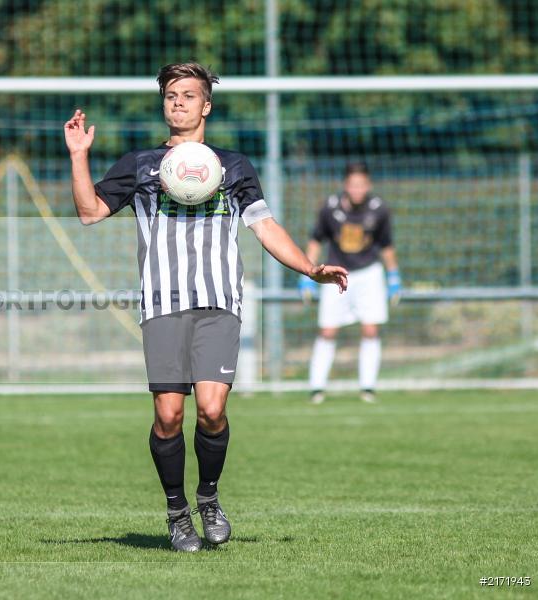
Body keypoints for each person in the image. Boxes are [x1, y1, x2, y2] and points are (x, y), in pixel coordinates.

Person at [63, 62, 347, 552]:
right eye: (171, 95)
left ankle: (208, 498)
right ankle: (177, 513)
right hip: (162, 306)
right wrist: (79, 157)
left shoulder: (233, 167)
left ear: (206, 105)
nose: (178, 102)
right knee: (169, 416)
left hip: (219, 303)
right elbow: (89, 212)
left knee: (212, 410)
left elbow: (266, 227)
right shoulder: (141, 164)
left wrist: (309, 268)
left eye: (189, 95)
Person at [298, 161, 400, 405]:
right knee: (328, 330)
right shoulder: (329, 208)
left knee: (370, 329)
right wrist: (307, 275)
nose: (357, 190)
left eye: (362, 185)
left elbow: (386, 246)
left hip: (369, 274)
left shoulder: (379, 209)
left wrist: (394, 276)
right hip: (337, 274)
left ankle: (367, 387)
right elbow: (315, 241)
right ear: (346, 185)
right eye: (353, 185)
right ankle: (317, 388)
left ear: (368, 185)